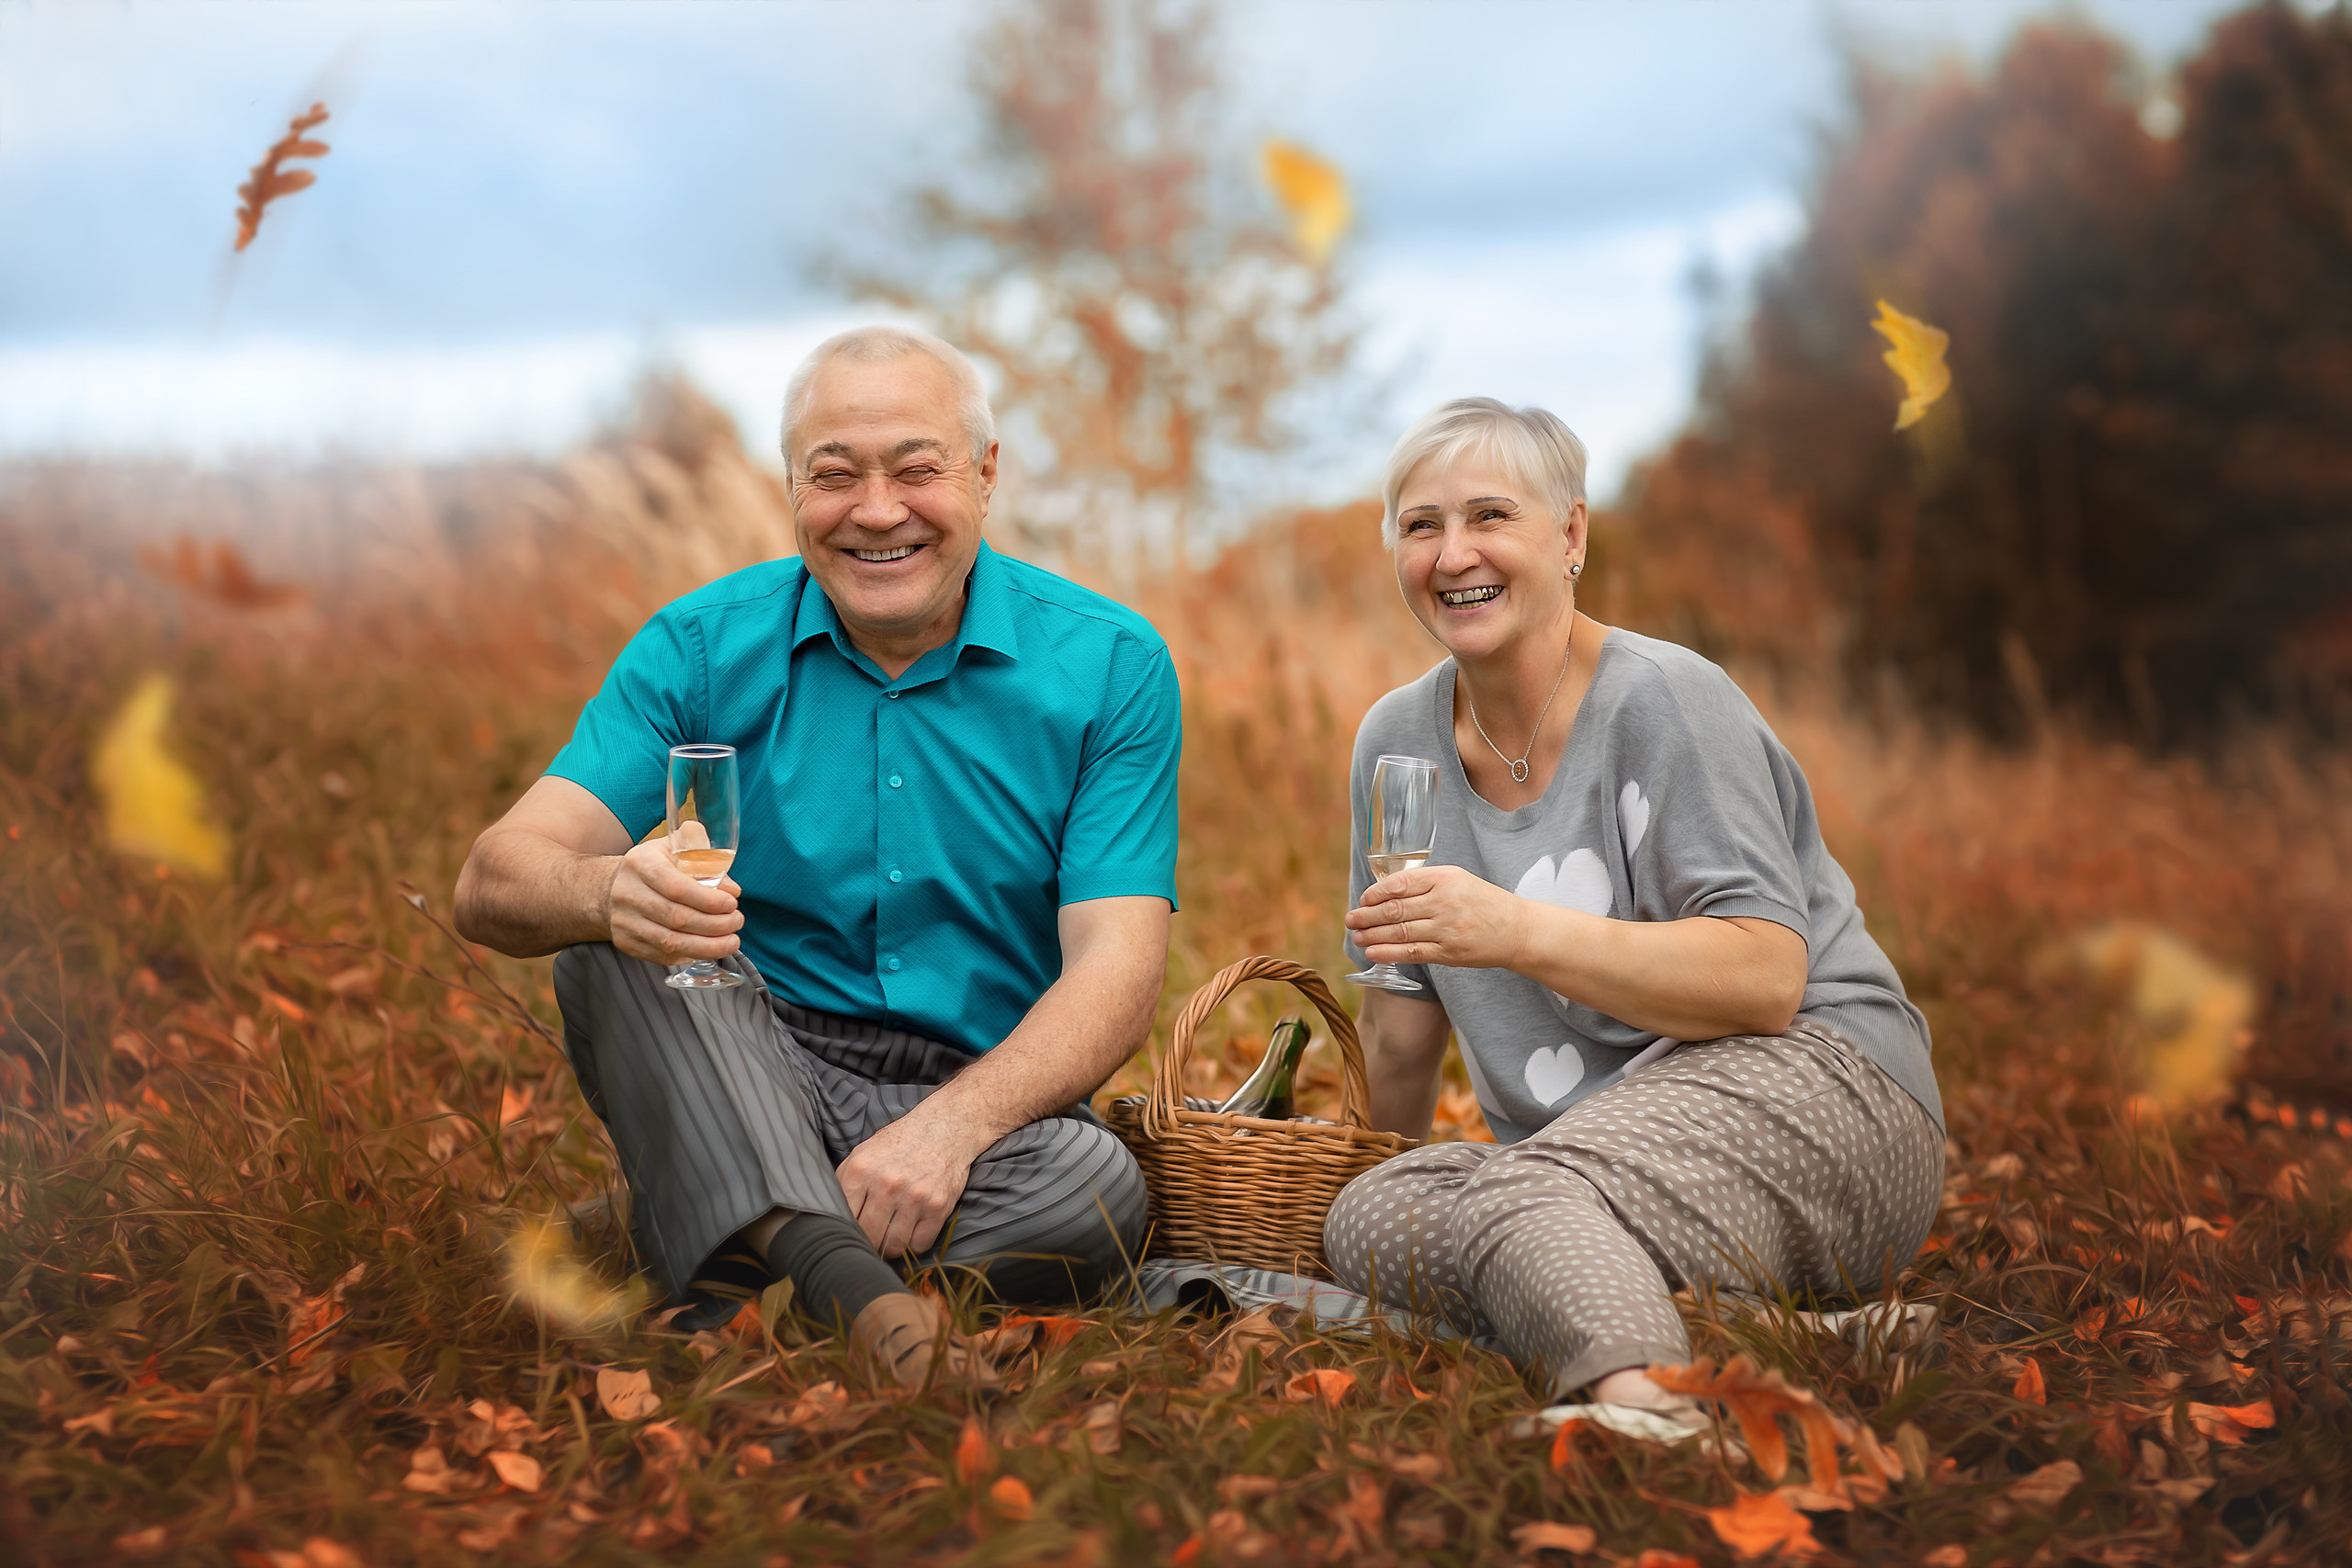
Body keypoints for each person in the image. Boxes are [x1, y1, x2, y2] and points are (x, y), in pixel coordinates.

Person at [454, 326, 1180, 1385]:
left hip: (975, 1095)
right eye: (834, 475)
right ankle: (867, 1309)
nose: (876, 511)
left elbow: (1117, 967)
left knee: (1095, 1191)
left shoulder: (1110, 665)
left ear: (985, 474)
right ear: (790, 485)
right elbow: (493, 881)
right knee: (617, 948)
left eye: (917, 469)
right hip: (748, 1058)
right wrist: (609, 891)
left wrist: (949, 1132)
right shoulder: (700, 648)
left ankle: (709, 1220)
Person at [1323, 398, 1945, 1417]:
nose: (1452, 553)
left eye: (1490, 516)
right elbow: (1398, 1038)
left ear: (1570, 534)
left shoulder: (1665, 698)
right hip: (1592, 1164)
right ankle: (1777, 1332)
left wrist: (1514, 931)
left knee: (1522, 1190)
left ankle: (1647, 1404)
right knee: (1370, 1216)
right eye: (1420, 525)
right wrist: (1347, 1186)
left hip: (1826, 1095)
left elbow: (1764, 977)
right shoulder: (1396, 743)